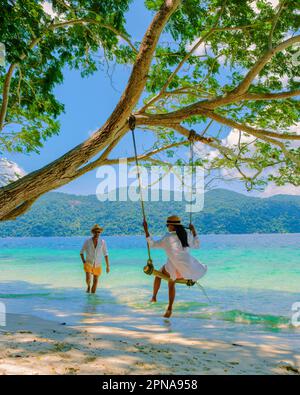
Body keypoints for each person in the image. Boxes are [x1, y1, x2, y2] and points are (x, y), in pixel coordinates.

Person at [143, 215, 207, 318]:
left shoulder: (167, 238)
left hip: (173, 269)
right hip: (187, 271)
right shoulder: (186, 235)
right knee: (171, 276)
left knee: (159, 275)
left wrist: (146, 230)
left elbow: (152, 244)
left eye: (167, 225)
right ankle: (170, 307)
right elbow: (197, 245)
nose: (167, 227)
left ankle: (154, 297)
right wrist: (193, 231)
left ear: (172, 226)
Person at [80, 224, 110, 294]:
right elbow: (81, 252)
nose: (97, 233)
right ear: (93, 232)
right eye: (96, 232)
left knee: (96, 281)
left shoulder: (102, 242)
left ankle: (92, 299)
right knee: (88, 279)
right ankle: (88, 286)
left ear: (100, 232)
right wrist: (84, 262)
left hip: (98, 264)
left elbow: (106, 254)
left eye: (99, 232)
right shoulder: (87, 241)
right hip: (88, 263)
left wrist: (107, 266)